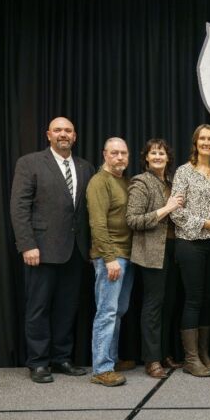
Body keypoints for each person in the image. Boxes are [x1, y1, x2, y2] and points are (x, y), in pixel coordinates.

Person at [10, 117, 93, 383]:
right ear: (48, 135)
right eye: (58, 130)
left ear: (75, 136)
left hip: (76, 251)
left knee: (67, 308)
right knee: (38, 308)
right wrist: (27, 245)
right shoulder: (30, 163)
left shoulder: (85, 167)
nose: (63, 134)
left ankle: (61, 358)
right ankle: (38, 362)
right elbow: (19, 208)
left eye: (68, 130)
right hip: (41, 251)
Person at [170, 124, 210, 377]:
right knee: (193, 299)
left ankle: (204, 354)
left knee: (208, 299)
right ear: (195, 143)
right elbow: (175, 211)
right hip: (190, 243)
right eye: (202, 138)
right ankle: (191, 359)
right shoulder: (184, 172)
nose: (206, 142)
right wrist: (206, 223)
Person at [126, 138, 185, 379]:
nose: (158, 157)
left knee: (169, 304)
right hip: (152, 252)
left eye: (162, 153)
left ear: (168, 158)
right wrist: (166, 209)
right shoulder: (141, 182)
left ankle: (165, 353)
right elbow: (133, 220)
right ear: (147, 158)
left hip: (173, 251)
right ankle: (151, 360)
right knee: (153, 306)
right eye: (153, 153)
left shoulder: (171, 182)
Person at [87, 137, 135, 387]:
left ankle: (111, 358)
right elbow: (97, 223)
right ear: (105, 154)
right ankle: (101, 369)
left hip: (126, 255)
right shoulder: (99, 182)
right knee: (106, 312)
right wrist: (109, 258)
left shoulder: (123, 181)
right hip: (111, 257)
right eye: (114, 153)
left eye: (123, 153)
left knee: (118, 311)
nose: (119, 157)